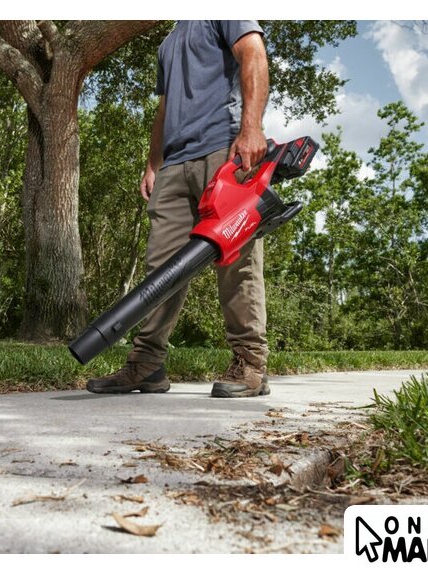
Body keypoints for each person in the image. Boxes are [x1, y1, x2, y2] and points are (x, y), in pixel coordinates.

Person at [86, 20, 271, 398]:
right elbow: (166, 105)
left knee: (236, 260)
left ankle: (250, 362)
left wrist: (251, 128)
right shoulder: (168, 42)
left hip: (223, 149)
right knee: (161, 268)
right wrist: (153, 163)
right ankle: (147, 363)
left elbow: (253, 53)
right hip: (174, 164)